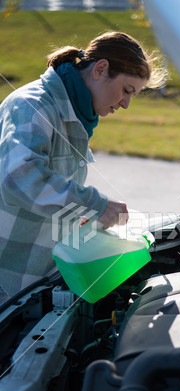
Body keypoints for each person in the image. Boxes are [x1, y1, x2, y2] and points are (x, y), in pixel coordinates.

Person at [0, 31, 165, 302]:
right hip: (9, 280)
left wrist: (82, 216)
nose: (126, 104)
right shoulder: (33, 105)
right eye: (126, 90)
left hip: (40, 277)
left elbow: (51, 191)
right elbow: (19, 178)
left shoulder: (76, 114)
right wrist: (95, 205)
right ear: (100, 69)